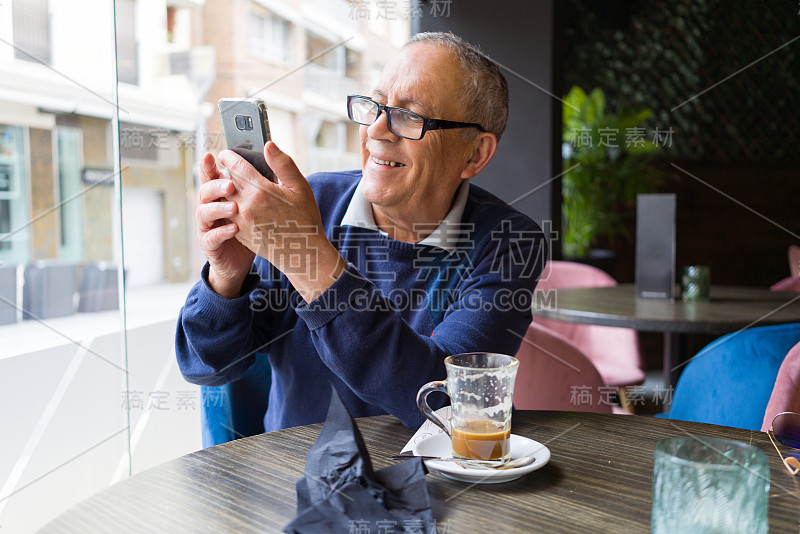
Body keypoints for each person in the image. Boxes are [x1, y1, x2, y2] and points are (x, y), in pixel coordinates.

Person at [175, 32, 547, 432]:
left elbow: (444, 405)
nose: (376, 131)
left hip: (430, 486)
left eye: (410, 116)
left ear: (474, 154)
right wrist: (225, 280)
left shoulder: (509, 242)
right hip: (293, 480)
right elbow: (206, 367)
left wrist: (306, 254)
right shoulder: (311, 202)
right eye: (375, 106)